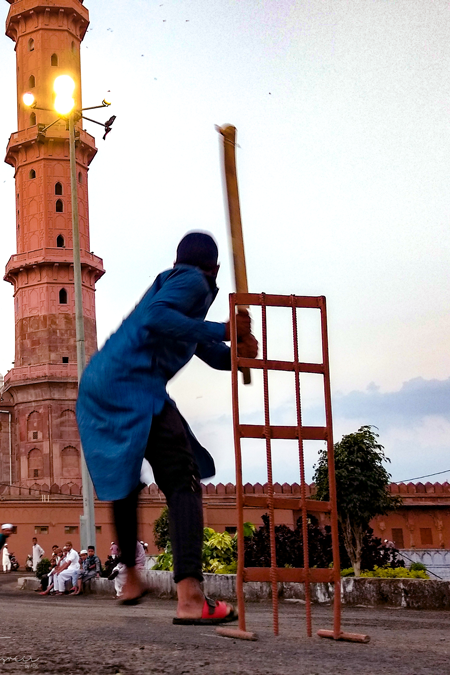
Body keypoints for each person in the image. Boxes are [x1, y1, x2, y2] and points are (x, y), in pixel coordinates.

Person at [77, 231, 256, 626]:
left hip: (101, 384)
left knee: (124, 484)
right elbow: (161, 318)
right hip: (132, 385)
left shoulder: (180, 295)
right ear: (215, 269)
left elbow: (209, 350)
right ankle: (191, 597)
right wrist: (226, 329)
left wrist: (240, 353)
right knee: (182, 477)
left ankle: (133, 580)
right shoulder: (192, 282)